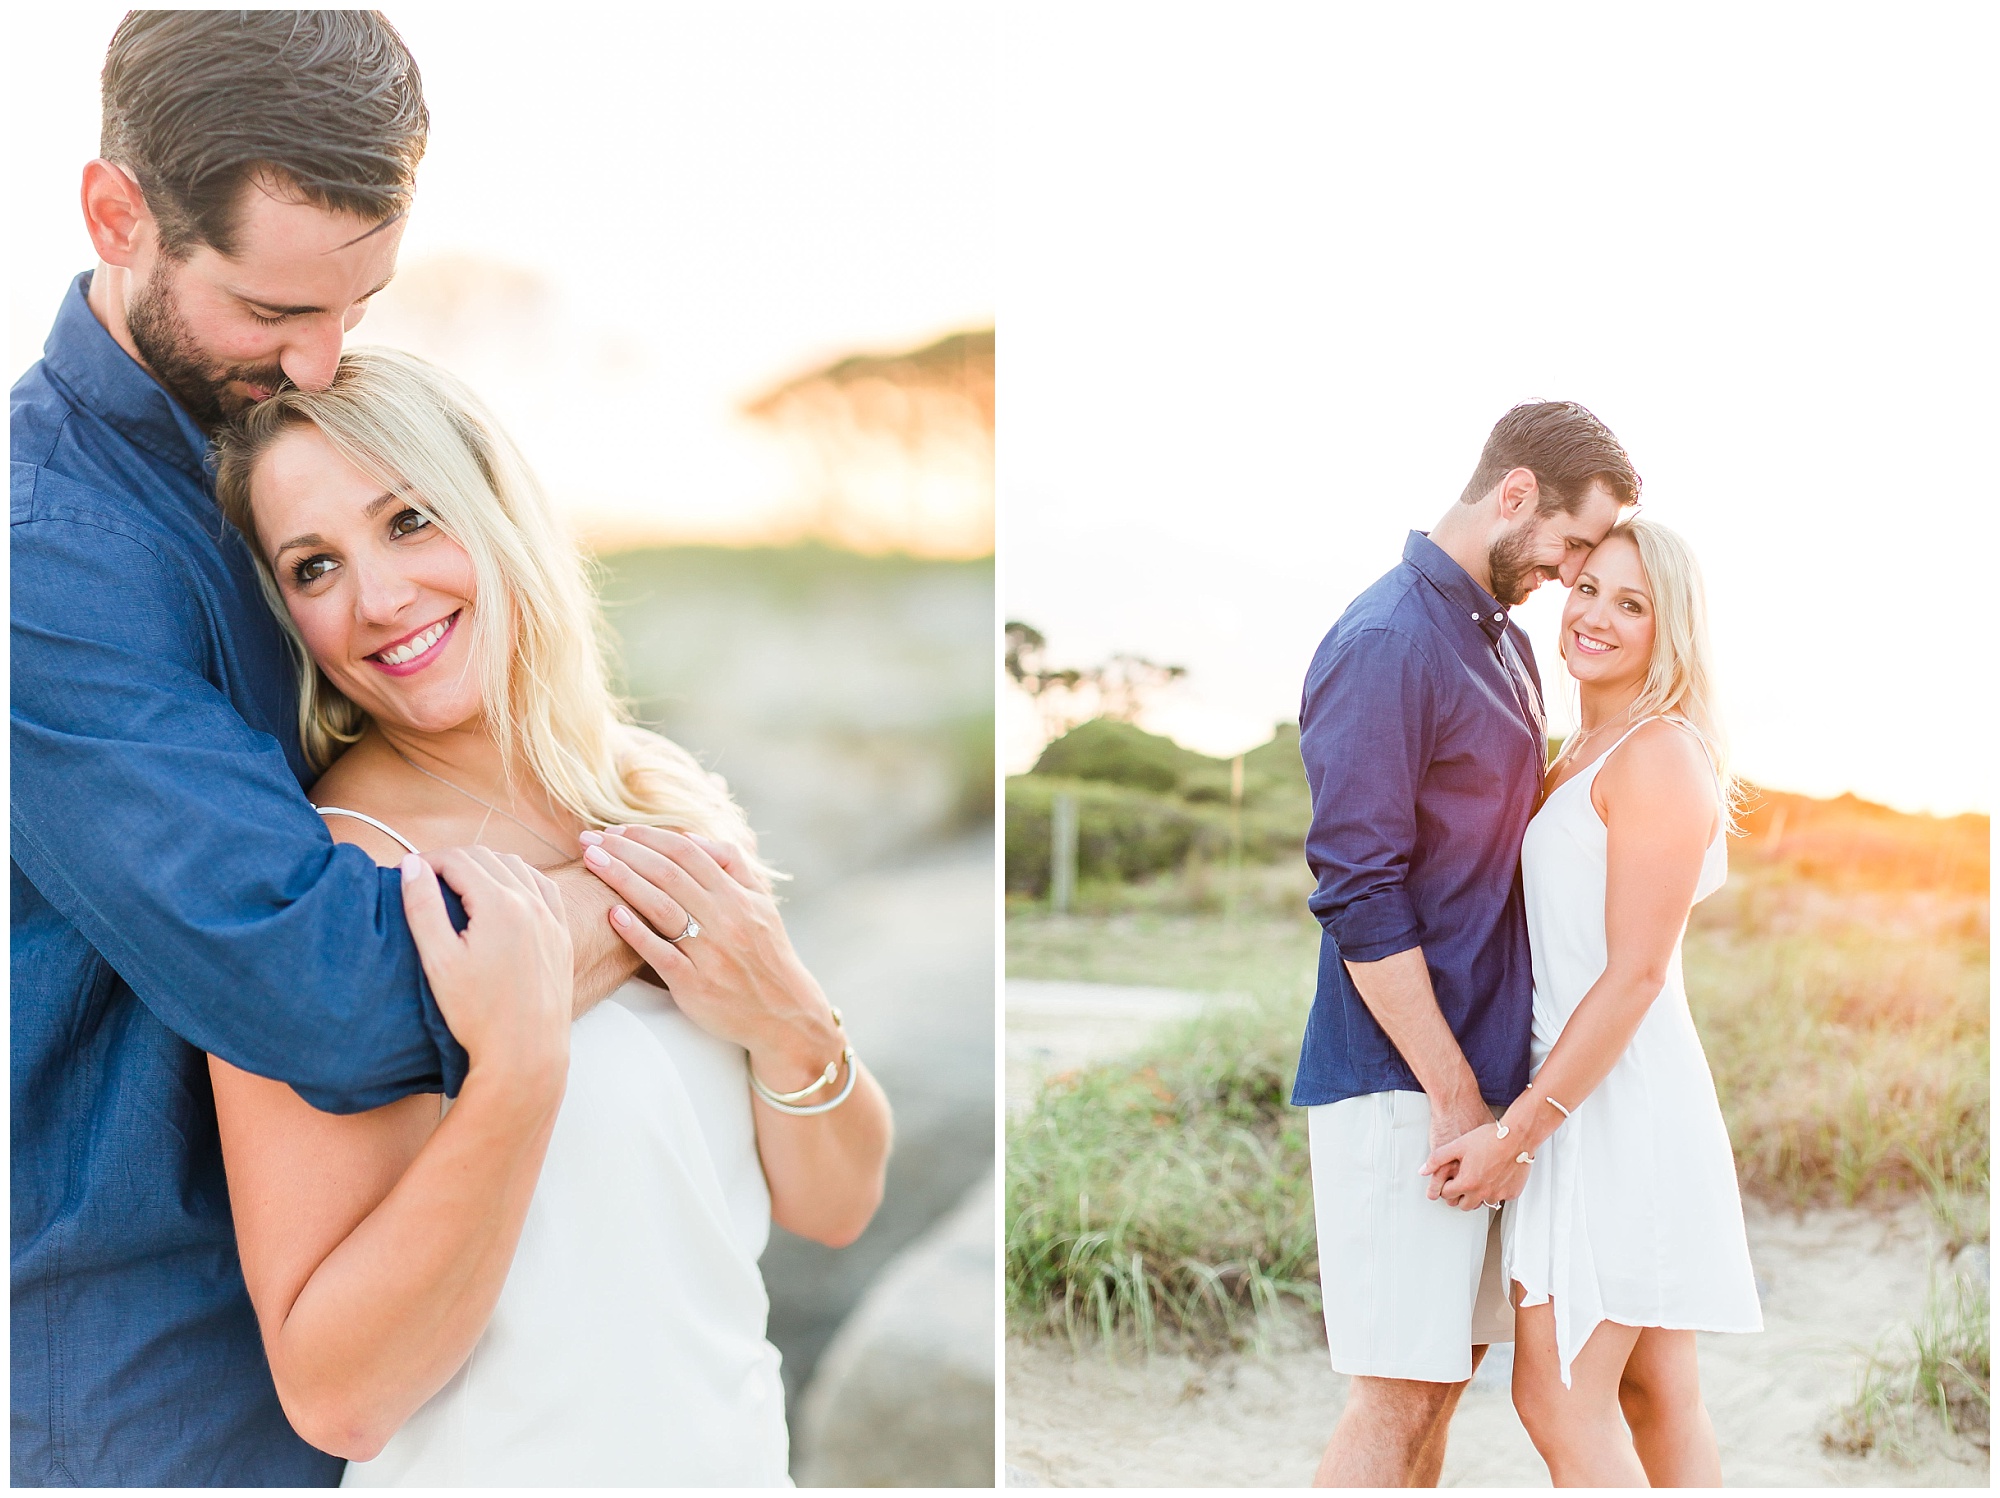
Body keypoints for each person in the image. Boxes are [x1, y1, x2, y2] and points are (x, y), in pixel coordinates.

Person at [10, 15, 664, 1484]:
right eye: (270, 309)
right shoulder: (43, 558)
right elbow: (316, 983)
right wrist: (656, 886)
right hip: (155, 1400)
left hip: (404, 1375)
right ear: (119, 217)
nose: (318, 355)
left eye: (356, 302)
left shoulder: (272, 455)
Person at [200, 347, 890, 1483]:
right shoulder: (331, 881)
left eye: (409, 520)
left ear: (497, 507)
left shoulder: (657, 790)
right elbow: (339, 1396)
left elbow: (836, 1202)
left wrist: (787, 1009)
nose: (377, 599)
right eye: (315, 566)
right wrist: (514, 1077)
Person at [1293, 401, 1639, 1486]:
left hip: (1479, 1087)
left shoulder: (1497, 644)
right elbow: (1357, 892)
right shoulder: (1387, 638)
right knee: (1394, 1397)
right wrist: (1451, 1093)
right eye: (1573, 543)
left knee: (1442, 1381)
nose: (1573, 572)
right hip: (1404, 1087)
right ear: (1515, 493)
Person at [1421, 519, 1760, 1485]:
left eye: (1632, 603)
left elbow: (1636, 975)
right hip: (1582, 1092)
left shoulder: (1657, 755)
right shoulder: (1577, 751)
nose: (1597, 617)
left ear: (1670, 629)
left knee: (1558, 1397)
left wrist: (1517, 1134)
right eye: (1589, 589)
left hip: (1619, 1106)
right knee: (1655, 1397)